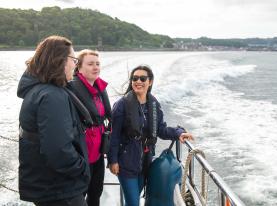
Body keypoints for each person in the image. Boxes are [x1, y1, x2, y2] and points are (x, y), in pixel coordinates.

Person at [17, 36, 90, 206]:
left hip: (48, 186)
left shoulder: (39, 91)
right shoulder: (52, 96)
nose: (75, 64)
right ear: (60, 61)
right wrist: (81, 168)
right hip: (59, 190)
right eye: (74, 59)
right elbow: (58, 150)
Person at [108, 65, 193, 206]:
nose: (138, 81)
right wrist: (113, 160)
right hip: (126, 163)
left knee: (135, 199)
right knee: (133, 202)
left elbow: (161, 130)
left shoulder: (154, 105)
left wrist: (178, 133)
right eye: (134, 78)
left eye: (142, 78)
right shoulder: (121, 105)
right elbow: (114, 135)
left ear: (150, 82)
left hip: (146, 162)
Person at [67, 49, 111, 206]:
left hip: (98, 154)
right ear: (79, 67)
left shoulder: (99, 89)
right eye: (90, 64)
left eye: (97, 64)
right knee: (78, 198)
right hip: (81, 154)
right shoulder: (71, 88)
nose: (95, 67)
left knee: (96, 194)